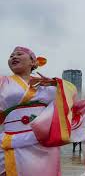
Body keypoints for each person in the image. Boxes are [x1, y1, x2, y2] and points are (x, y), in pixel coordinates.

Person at [0, 46, 77, 176]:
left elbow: (72, 94)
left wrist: (54, 83)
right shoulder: (3, 81)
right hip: (11, 138)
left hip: (42, 140)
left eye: (19, 54)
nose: (14, 57)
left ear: (33, 62)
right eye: (11, 55)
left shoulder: (47, 84)